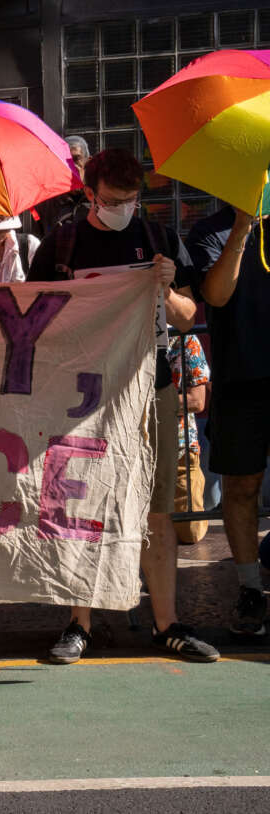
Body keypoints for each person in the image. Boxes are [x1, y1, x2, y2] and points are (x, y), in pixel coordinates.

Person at [27, 148, 218, 663]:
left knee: (158, 510)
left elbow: (184, 316)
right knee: (81, 507)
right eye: (113, 200)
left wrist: (166, 288)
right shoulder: (61, 244)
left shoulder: (157, 238)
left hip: (150, 388)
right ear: (89, 194)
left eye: (132, 200)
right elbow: (32, 321)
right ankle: (79, 624)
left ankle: (167, 624)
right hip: (83, 395)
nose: (123, 209)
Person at [185, 204, 270, 636]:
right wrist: (241, 230)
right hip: (240, 380)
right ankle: (250, 589)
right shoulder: (209, 231)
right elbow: (215, 295)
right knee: (241, 488)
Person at [167, 334, 210, 546]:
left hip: (180, 448)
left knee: (190, 531)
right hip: (135, 448)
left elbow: (197, 401)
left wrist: (149, 401)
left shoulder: (185, 340)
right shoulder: (126, 332)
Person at [33, 135, 91, 238]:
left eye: (76, 159)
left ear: (88, 162)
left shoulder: (100, 198)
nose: (70, 167)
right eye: (65, 161)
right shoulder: (46, 204)